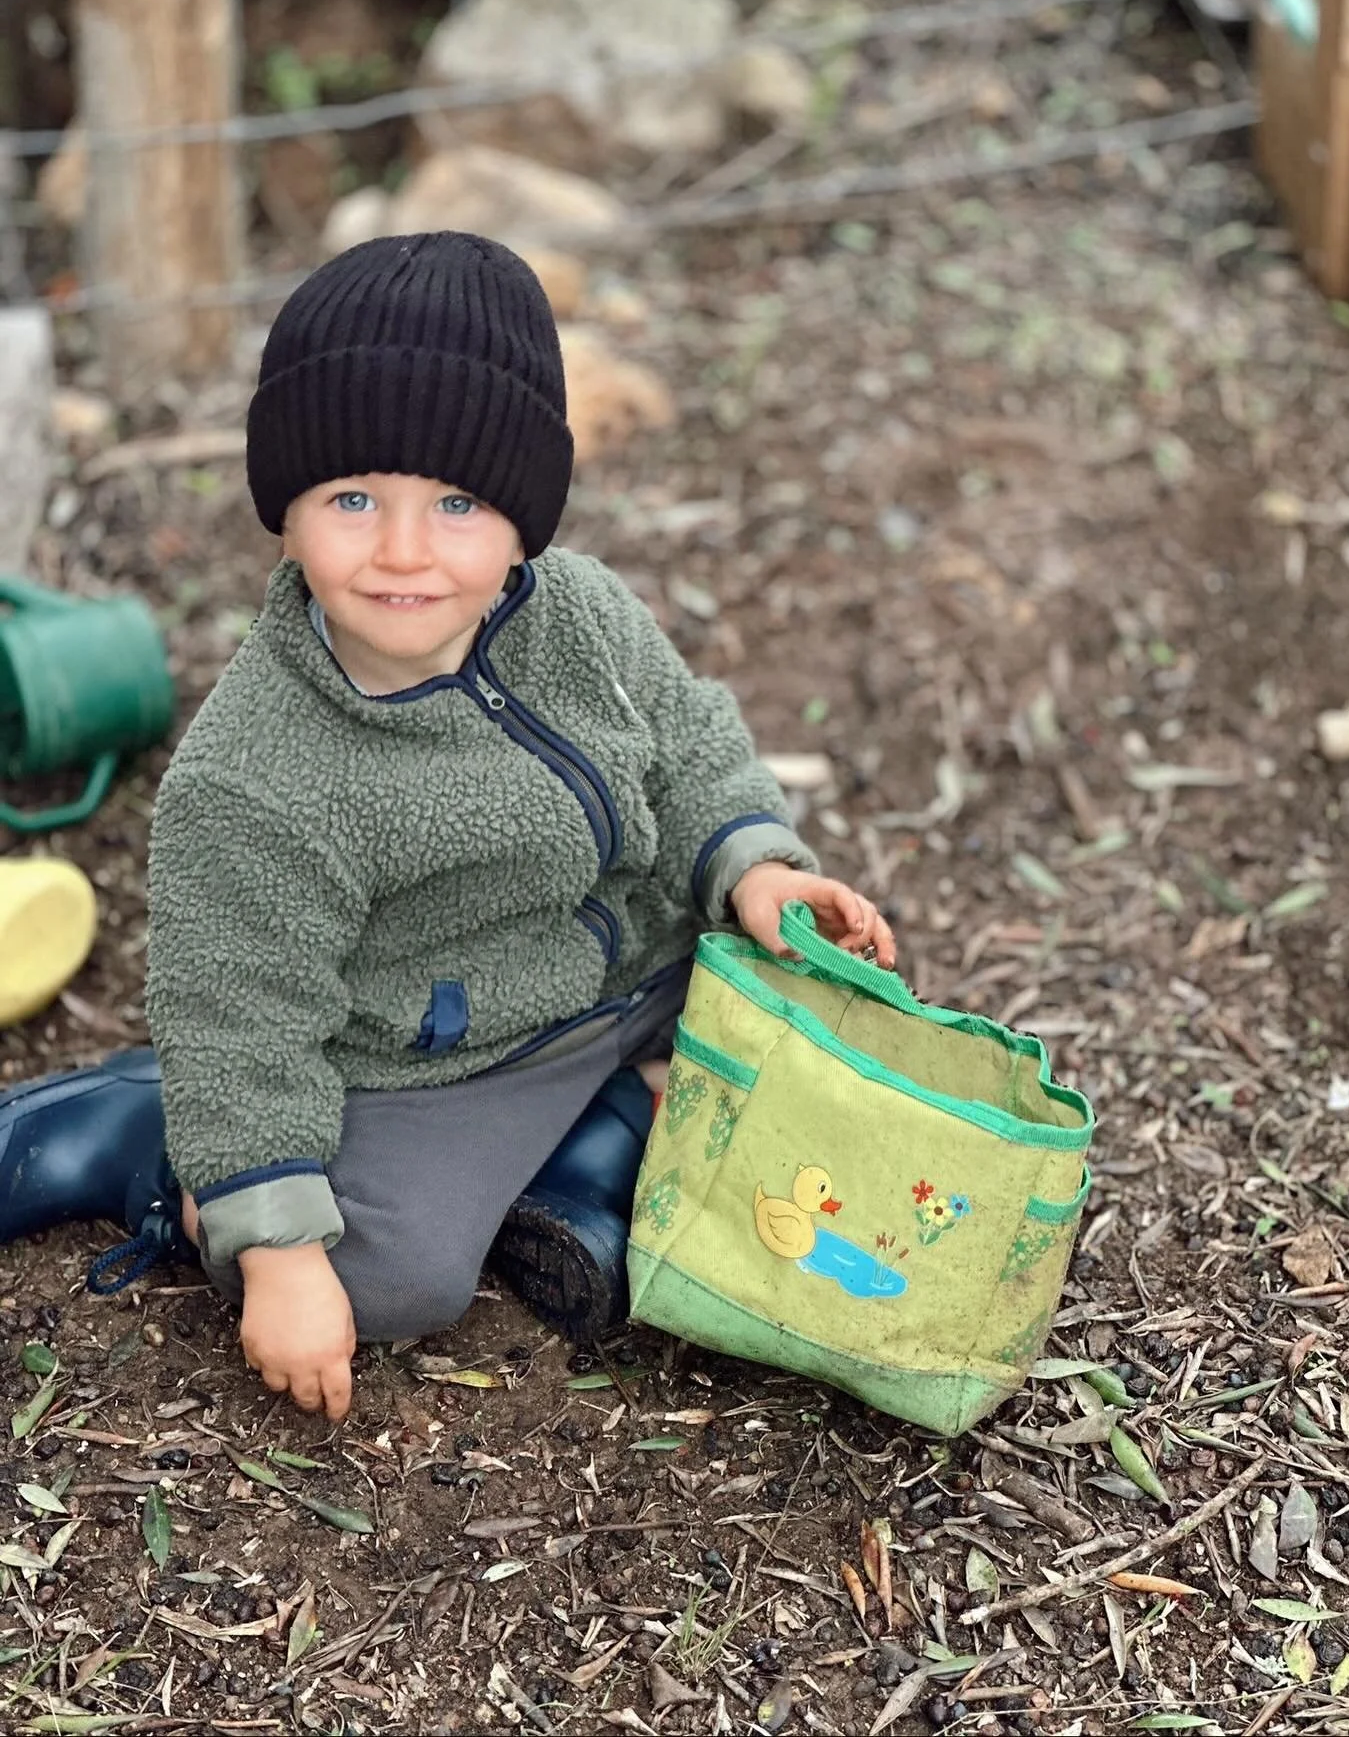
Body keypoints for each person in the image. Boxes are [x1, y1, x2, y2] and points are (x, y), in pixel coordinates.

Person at [0, 232, 894, 1424]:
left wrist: (752, 863)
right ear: (286, 513)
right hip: (431, 1063)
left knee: (820, 1013)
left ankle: (584, 1151)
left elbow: (686, 737)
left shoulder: (578, 614)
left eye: (459, 503)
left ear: (523, 521)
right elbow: (240, 1006)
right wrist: (275, 1248)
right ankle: (154, 1145)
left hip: (627, 968)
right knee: (390, 1277)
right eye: (355, 497)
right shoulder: (256, 776)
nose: (406, 551)